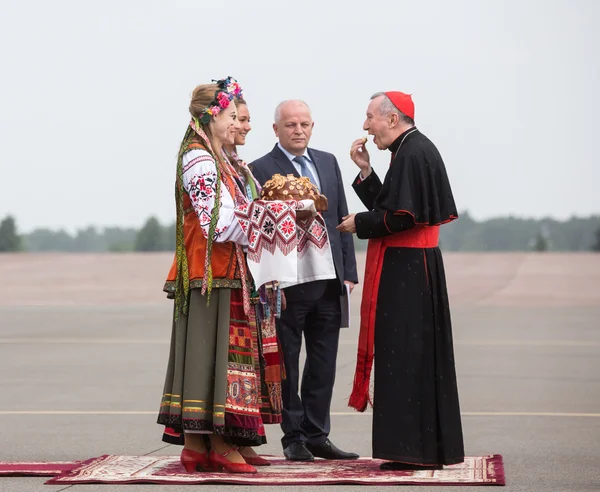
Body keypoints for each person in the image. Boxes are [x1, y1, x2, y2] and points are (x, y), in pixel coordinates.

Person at [337, 91, 465, 470]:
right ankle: (422, 448)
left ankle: (411, 451)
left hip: (407, 268)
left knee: (406, 356)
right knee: (413, 355)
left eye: (370, 117)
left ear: (392, 119)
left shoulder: (411, 152)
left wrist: (358, 223)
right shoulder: (409, 149)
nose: (365, 126)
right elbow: (393, 207)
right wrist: (365, 171)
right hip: (413, 266)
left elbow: (403, 217)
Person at [158, 77, 262, 474]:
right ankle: (215, 443)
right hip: (210, 272)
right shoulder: (199, 158)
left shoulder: (219, 157)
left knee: (215, 354)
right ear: (212, 116)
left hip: (225, 270)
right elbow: (215, 224)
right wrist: (266, 224)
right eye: (231, 115)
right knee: (212, 354)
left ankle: (201, 446)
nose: (237, 121)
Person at [250, 100, 359, 462]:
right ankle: (293, 436)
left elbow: (342, 219)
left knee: (324, 363)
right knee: (288, 361)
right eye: (291, 124)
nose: (299, 130)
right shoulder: (260, 169)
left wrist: (349, 273)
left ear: (313, 126)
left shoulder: (327, 161)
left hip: (330, 282)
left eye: (305, 124)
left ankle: (317, 434)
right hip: (288, 284)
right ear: (276, 129)